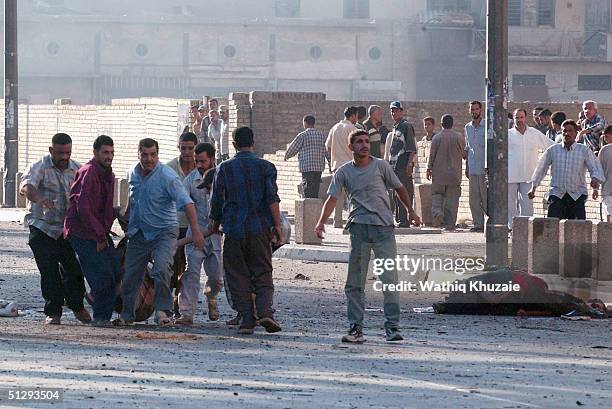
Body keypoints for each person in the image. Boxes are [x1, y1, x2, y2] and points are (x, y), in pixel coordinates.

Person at [314, 129, 421, 343]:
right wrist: (320, 222)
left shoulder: (381, 166)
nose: (364, 145)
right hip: (359, 229)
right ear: (350, 147)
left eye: (366, 141)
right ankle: (356, 329)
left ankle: (392, 327)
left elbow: (399, 188)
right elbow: (332, 199)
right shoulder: (344, 172)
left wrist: (410, 210)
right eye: (359, 142)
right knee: (355, 283)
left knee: (389, 281)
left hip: (383, 229)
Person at [114, 138, 205, 327]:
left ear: (158, 154)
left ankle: (163, 311)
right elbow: (133, 200)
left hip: (164, 232)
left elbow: (187, 203)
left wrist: (196, 231)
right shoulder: (132, 172)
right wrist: (125, 217)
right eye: (145, 155)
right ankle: (127, 315)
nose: (149, 159)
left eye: (152, 155)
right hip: (139, 232)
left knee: (162, 268)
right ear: (138, 154)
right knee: (131, 274)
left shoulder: (167, 177)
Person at [210, 127, 283, 335]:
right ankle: (265, 311)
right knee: (263, 272)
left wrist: (214, 224)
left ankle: (246, 320)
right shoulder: (266, 167)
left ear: (233, 144)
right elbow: (272, 199)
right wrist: (277, 226)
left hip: (233, 230)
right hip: (259, 229)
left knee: (236, 275)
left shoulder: (223, 169)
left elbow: (216, 200)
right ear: (254, 142)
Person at [20, 132, 90, 325]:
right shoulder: (39, 166)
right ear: (51, 150)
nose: (64, 157)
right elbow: (26, 186)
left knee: (74, 270)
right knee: (49, 271)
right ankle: (53, 312)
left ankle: (77, 305)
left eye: (67, 152)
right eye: (60, 153)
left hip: (68, 230)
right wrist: (40, 199)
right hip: (42, 227)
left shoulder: (77, 169)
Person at [64, 135, 120, 327]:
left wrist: (106, 228)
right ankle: (101, 318)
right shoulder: (89, 172)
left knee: (115, 270)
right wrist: (99, 235)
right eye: (105, 152)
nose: (109, 156)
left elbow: (104, 207)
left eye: (112, 152)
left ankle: (95, 298)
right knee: (102, 275)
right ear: (95, 153)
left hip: (98, 232)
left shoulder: (108, 174)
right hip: (82, 232)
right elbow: (84, 208)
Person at [177, 143, 222, 325]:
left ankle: (211, 297)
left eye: (203, 161)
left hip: (216, 237)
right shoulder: (190, 181)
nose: (199, 165)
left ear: (212, 159)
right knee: (191, 274)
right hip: (195, 234)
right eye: (197, 161)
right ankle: (186, 314)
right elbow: (182, 205)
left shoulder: (222, 176)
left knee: (217, 279)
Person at [529, 120, 605, 220]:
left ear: (575, 133)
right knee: (553, 227)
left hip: (577, 195)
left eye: (570, 131)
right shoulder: (553, 150)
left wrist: (595, 181)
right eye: (564, 131)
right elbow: (541, 169)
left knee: (577, 229)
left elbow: (594, 168)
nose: (567, 133)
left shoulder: (584, 150)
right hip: (556, 194)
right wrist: (533, 188)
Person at [166, 131, 198, 317]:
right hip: (175, 225)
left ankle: (182, 302)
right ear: (178, 147)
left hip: (196, 228)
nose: (187, 152)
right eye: (183, 148)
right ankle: (172, 302)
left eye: (191, 148)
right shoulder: (169, 169)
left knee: (189, 267)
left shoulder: (202, 167)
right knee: (173, 265)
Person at [507, 108, 553, 229]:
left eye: (521, 117)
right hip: (511, 175)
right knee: (510, 204)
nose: (519, 120)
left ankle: (526, 228)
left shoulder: (534, 133)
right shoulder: (508, 134)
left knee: (527, 204)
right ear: (513, 118)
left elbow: (549, 146)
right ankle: (512, 227)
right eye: (517, 117)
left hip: (529, 175)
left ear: (525, 118)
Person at [426, 115, 466, 230]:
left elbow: (432, 156)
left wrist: (429, 169)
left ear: (441, 124)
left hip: (439, 175)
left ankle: (437, 212)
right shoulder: (459, 137)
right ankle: (450, 224)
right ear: (452, 124)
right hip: (454, 175)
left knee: (436, 196)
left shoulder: (436, 138)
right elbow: (464, 155)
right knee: (452, 201)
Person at [384, 101, 417, 227]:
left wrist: (409, 165)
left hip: (403, 166)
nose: (394, 113)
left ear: (401, 112)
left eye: (396, 110)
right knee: (397, 194)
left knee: (403, 194)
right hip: (394, 167)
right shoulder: (395, 127)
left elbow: (411, 148)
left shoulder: (406, 126)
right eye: (392, 111)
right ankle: (401, 219)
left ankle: (405, 220)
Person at [326, 106, 358, 228]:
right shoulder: (352, 129)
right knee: (352, 195)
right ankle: (351, 220)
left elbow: (327, 146)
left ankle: (337, 220)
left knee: (337, 195)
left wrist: (331, 161)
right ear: (353, 116)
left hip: (337, 166)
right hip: (350, 166)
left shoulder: (334, 128)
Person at [284, 115, 328, 199]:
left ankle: (308, 208)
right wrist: (329, 162)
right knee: (315, 189)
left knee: (307, 189)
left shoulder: (303, 135)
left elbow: (294, 148)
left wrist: (286, 156)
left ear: (305, 123)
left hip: (307, 167)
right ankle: (314, 208)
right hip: (319, 167)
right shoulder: (321, 135)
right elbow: (326, 151)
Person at [464, 101, 487, 232]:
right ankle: (478, 224)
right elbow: (468, 148)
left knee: (485, 197)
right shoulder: (468, 127)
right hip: (473, 167)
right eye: (472, 109)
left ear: (481, 110)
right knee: (473, 198)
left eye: (476, 109)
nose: (474, 111)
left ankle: (489, 222)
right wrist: (467, 166)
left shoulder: (486, 126)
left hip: (484, 168)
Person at [598, 125, 612, 221]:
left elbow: (599, 170)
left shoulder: (605, 150)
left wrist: (595, 188)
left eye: (606, 136)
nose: (604, 139)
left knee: (608, 219)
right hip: (607, 189)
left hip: (607, 189)